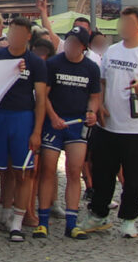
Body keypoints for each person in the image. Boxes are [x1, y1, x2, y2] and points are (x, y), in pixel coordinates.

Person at [82, 6, 138, 239]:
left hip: (137, 129)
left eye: (128, 23)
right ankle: (98, 215)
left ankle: (129, 219)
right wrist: (99, 105)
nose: (123, 27)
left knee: (135, 178)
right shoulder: (111, 51)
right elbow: (101, 82)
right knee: (102, 173)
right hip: (108, 125)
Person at [0, 16, 48, 241]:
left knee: (23, 173)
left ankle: (17, 222)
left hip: (23, 119)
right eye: (12, 33)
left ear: (28, 37)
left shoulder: (36, 63)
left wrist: (37, 131)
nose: (14, 37)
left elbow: (40, 100)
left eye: (19, 33)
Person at [38, 26, 101, 239]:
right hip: (54, 122)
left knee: (74, 171)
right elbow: (43, 95)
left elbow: (94, 96)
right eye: (68, 41)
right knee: (47, 170)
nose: (70, 46)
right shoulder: (53, 63)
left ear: (83, 47)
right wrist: (53, 117)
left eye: (75, 43)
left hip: (77, 123)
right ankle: (43, 221)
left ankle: (72, 223)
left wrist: (92, 112)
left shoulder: (91, 68)